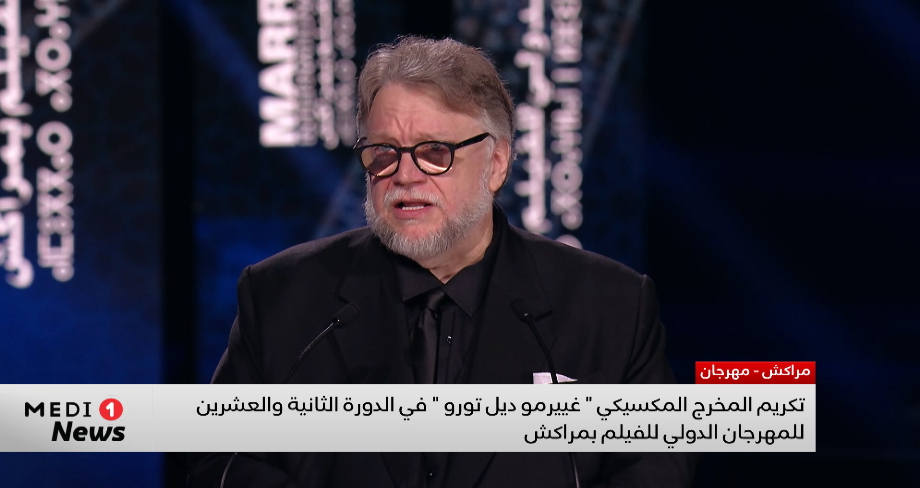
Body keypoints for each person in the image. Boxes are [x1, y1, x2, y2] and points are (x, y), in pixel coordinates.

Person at [188, 36, 696, 487]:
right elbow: (220, 462)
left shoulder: (609, 307)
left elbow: (654, 471)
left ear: (496, 163)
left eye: (434, 152)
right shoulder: (283, 297)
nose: (404, 175)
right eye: (383, 152)